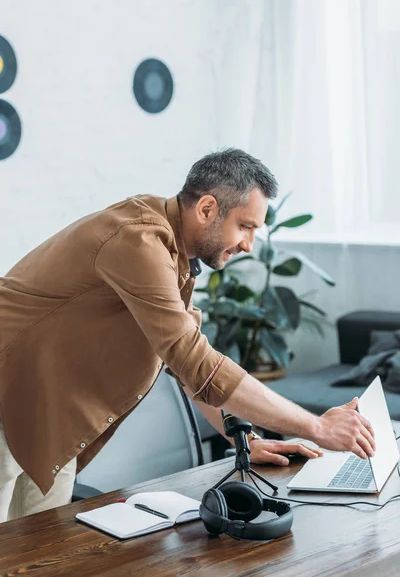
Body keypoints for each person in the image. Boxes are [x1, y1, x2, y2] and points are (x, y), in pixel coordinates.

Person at [0, 148, 374, 522]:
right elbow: (198, 363)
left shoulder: (173, 256)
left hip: (47, 414)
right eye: (245, 226)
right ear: (207, 209)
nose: (248, 244)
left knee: (38, 554)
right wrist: (316, 426)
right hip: (8, 398)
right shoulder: (137, 241)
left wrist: (244, 441)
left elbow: (188, 368)